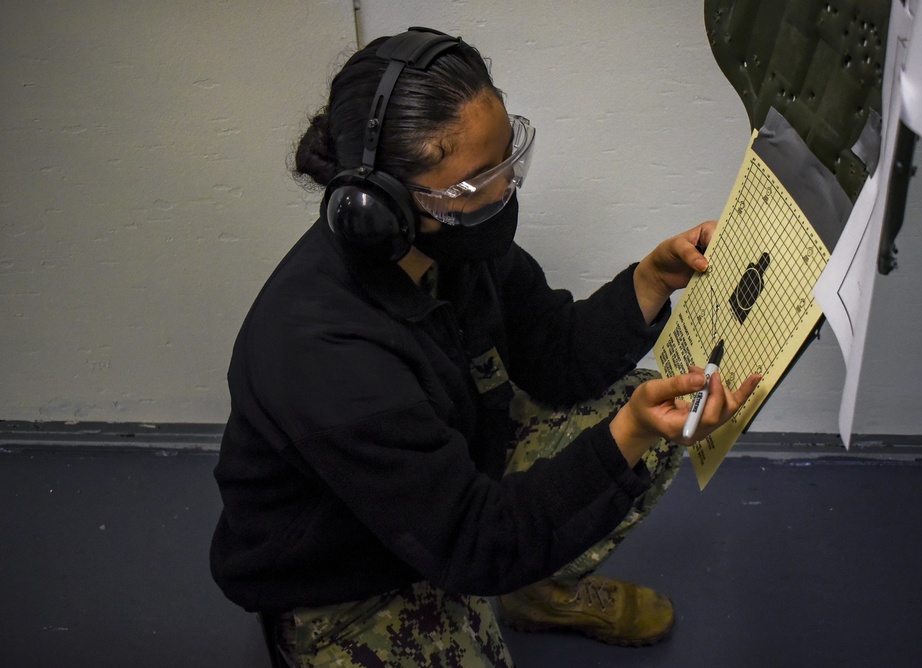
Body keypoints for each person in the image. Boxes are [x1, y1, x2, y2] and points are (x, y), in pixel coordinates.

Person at [210, 27, 760, 667]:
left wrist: (649, 281)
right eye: (475, 184)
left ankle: (538, 590)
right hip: (345, 580)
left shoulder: (453, 242)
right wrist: (626, 437)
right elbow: (473, 544)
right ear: (381, 207)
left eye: (508, 162)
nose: (504, 192)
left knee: (647, 412)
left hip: (449, 487)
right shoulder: (323, 350)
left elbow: (556, 356)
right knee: (632, 431)